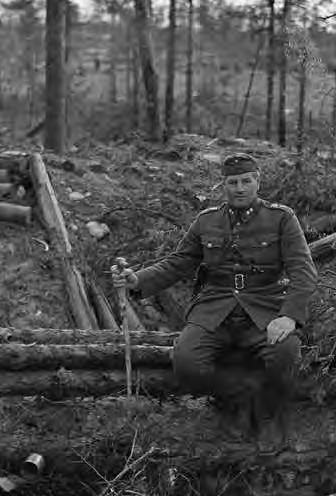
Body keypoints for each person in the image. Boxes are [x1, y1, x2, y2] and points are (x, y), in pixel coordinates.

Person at [112, 152, 318, 441]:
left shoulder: (281, 219)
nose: (240, 188)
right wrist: (137, 280)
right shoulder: (206, 221)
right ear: (224, 185)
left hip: (264, 309)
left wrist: (288, 316)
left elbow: (303, 271)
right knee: (186, 363)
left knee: (285, 354)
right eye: (233, 182)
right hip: (214, 310)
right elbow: (178, 262)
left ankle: (270, 412)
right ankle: (239, 399)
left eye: (246, 181)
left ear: (257, 181)